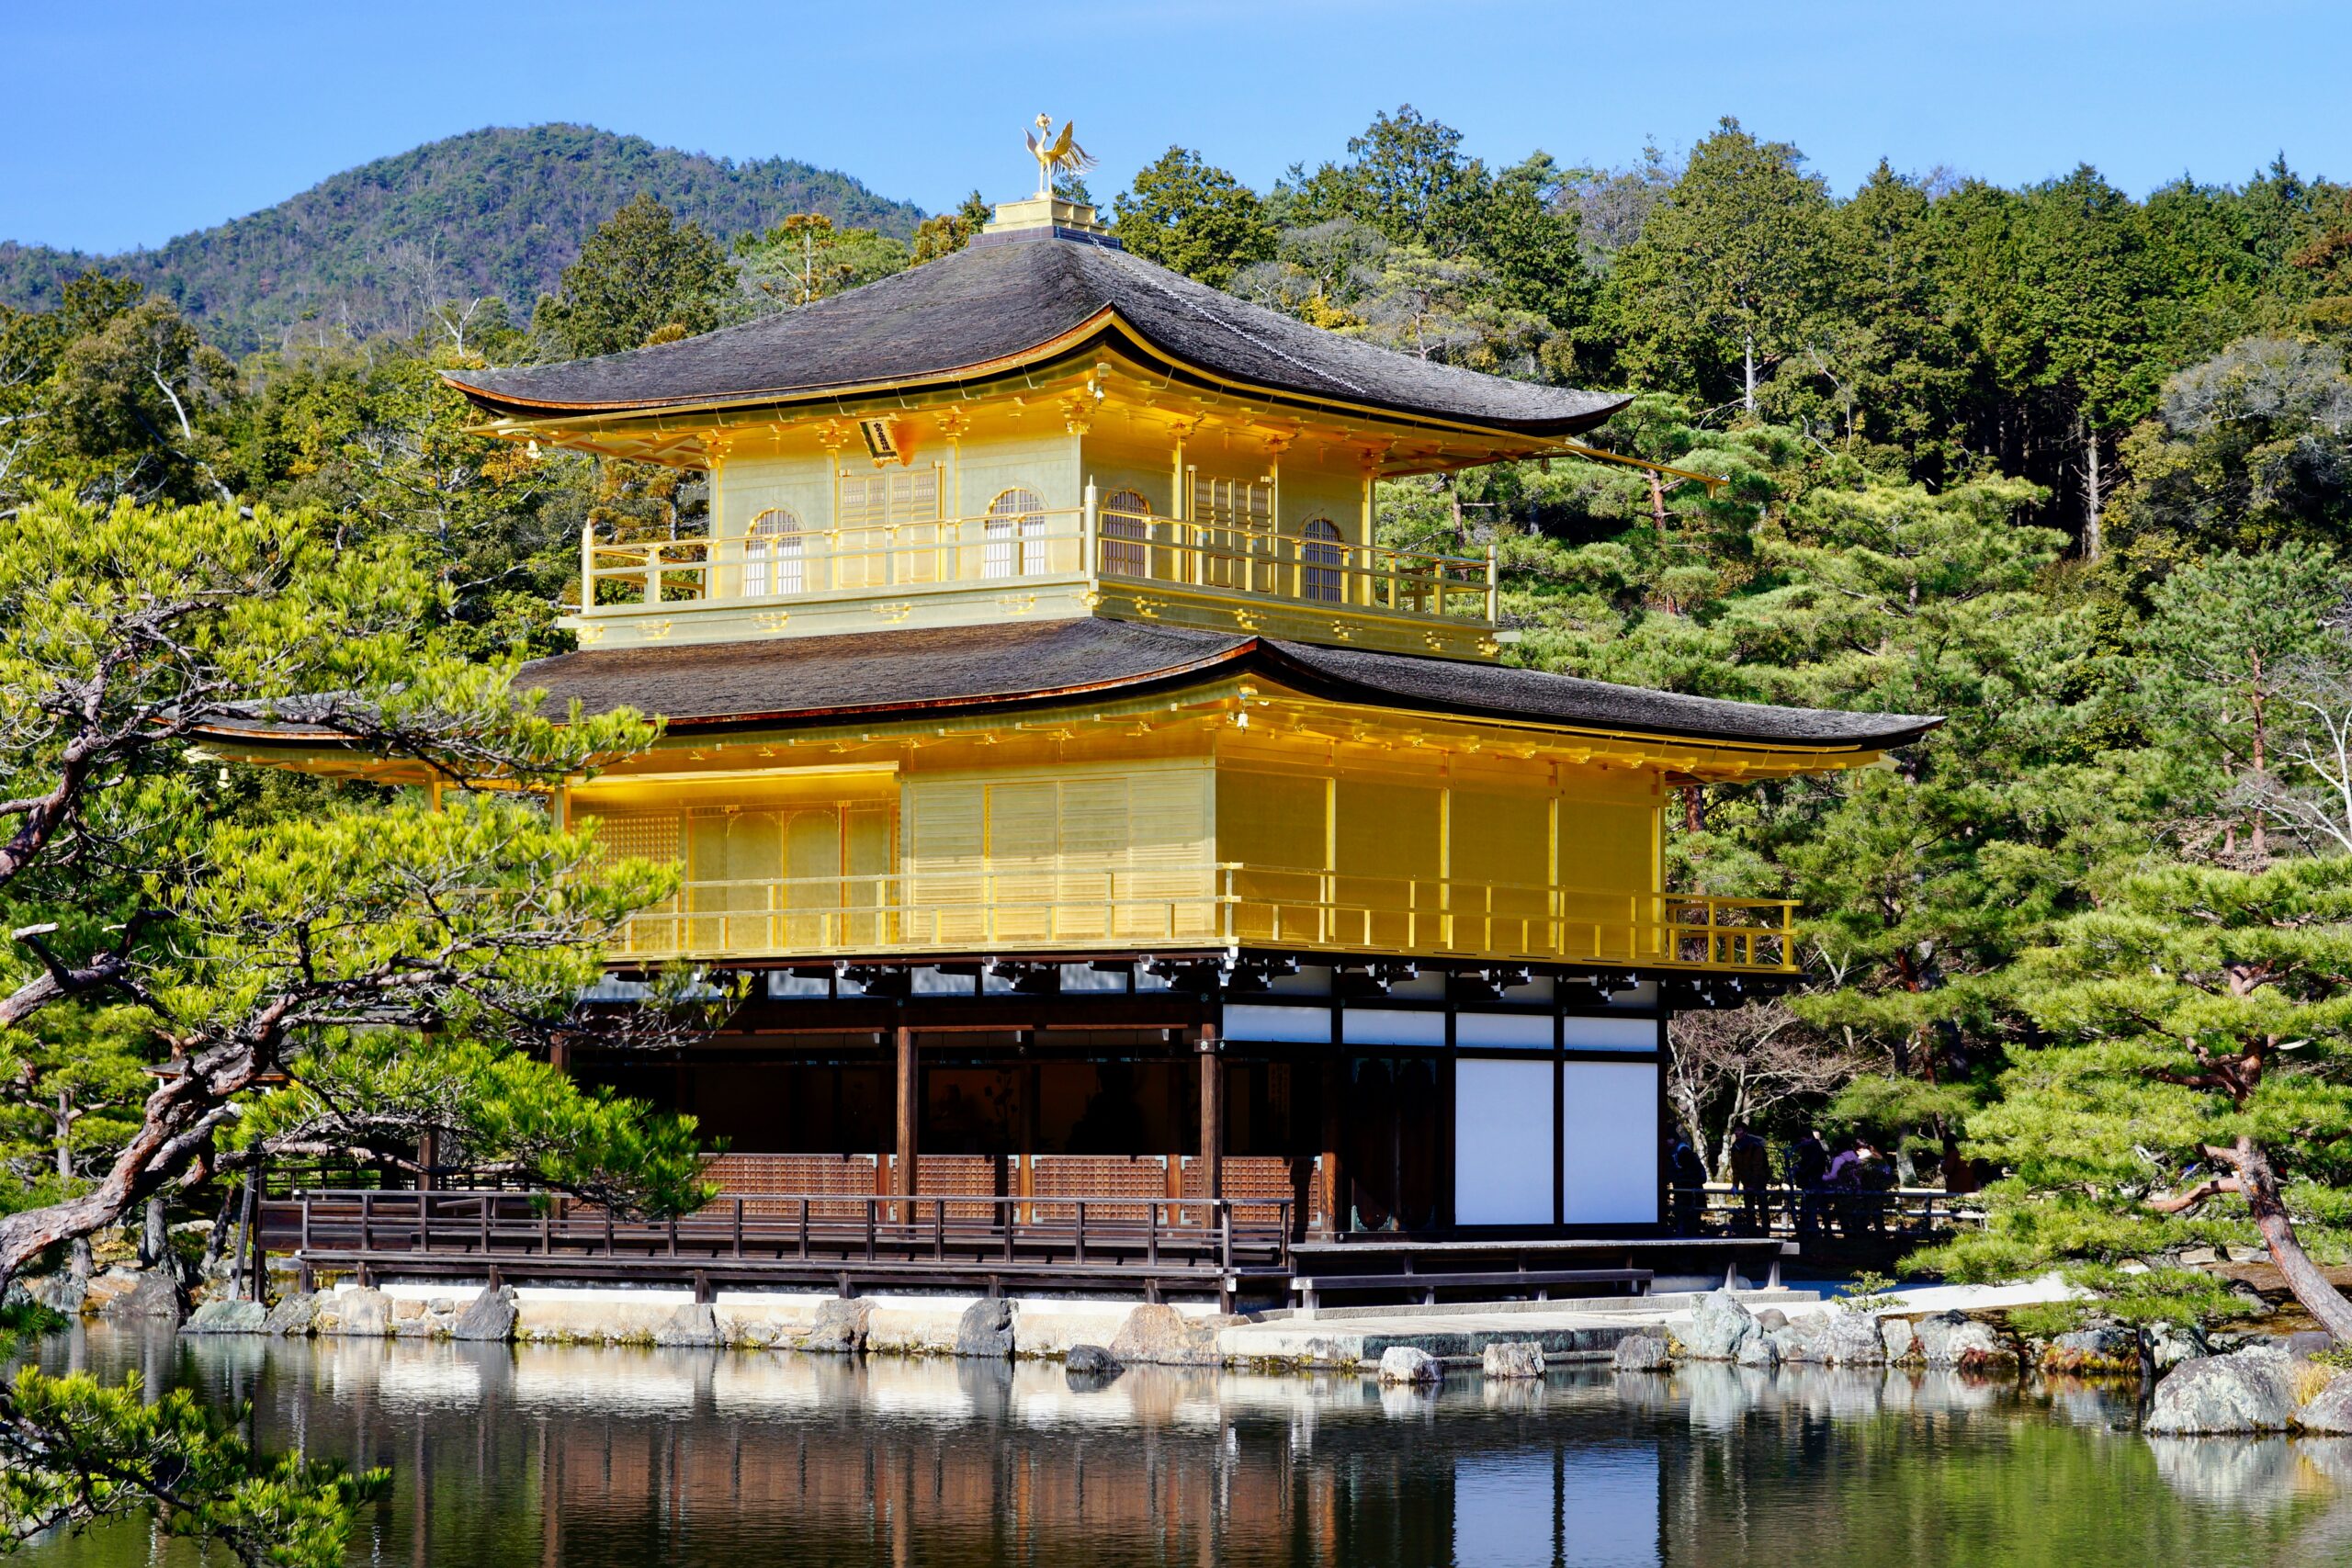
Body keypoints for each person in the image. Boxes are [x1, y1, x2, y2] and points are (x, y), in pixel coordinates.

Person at [1727, 1122, 1771, 1235]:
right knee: (1749, 1208)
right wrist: (1735, 1185)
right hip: (1746, 1181)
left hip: (1759, 1181)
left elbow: (1758, 1166)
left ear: (1745, 1132)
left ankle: (1765, 1231)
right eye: (1736, 1130)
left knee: (1762, 1207)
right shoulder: (1735, 1147)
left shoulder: (1755, 1146)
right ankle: (1751, 1231)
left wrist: (1753, 1184)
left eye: (1739, 1130)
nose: (1737, 1133)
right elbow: (1735, 1168)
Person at [1789, 1128, 1830, 1241]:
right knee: (1811, 1208)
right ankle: (1811, 1232)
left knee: (1810, 1208)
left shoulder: (1813, 1149)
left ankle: (1812, 1233)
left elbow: (1811, 1164)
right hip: (1813, 1180)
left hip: (1813, 1181)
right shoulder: (1815, 1148)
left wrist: (1801, 1169)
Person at [1668, 1134, 1708, 1235]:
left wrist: (1678, 1179)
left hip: (1688, 1191)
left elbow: (1688, 1172)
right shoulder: (1676, 1151)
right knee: (1686, 1216)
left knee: (1688, 1217)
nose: (1667, 1141)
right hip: (1686, 1191)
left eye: (1669, 1138)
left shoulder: (1682, 1151)